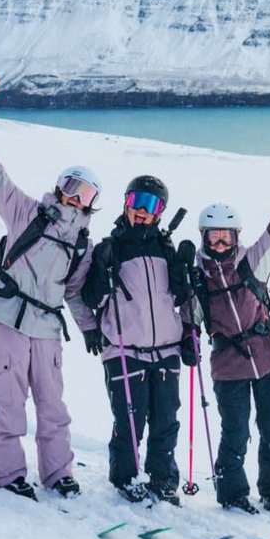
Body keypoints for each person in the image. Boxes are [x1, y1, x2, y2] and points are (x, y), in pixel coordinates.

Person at [0, 106, 101, 502]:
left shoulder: (82, 243)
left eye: (85, 194)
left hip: (48, 333)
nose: (75, 198)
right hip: (7, 321)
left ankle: (58, 474)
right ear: (59, 187)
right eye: (71, 187)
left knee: (53, 408)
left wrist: (88, 327)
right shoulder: (25, 212)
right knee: (9, 404)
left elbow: (72, 291)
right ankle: (7, 477)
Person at [187, 170, 270, 520]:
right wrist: (188, 337)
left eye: (225, 237)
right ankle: (232, 495)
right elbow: (189, 317)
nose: (219, 244)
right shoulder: (197, 276)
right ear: (203, 238)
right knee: (235, 432)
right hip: (229, 366)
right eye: (212, 237)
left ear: (235, 236)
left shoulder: (251, 262)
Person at [81, 175, 194, 505]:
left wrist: (185, 271)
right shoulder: (111, 248)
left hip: (166, 349)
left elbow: (182, 297)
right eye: (136, 202)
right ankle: (125, 478)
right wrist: (102, 273)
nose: (141, 211)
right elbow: (91, 298)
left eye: (151, 205)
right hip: (124, 349)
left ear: (160, 212)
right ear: (126, 204)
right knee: (130, 420)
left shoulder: (165, 249)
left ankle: (163, 479)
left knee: (166, 420)